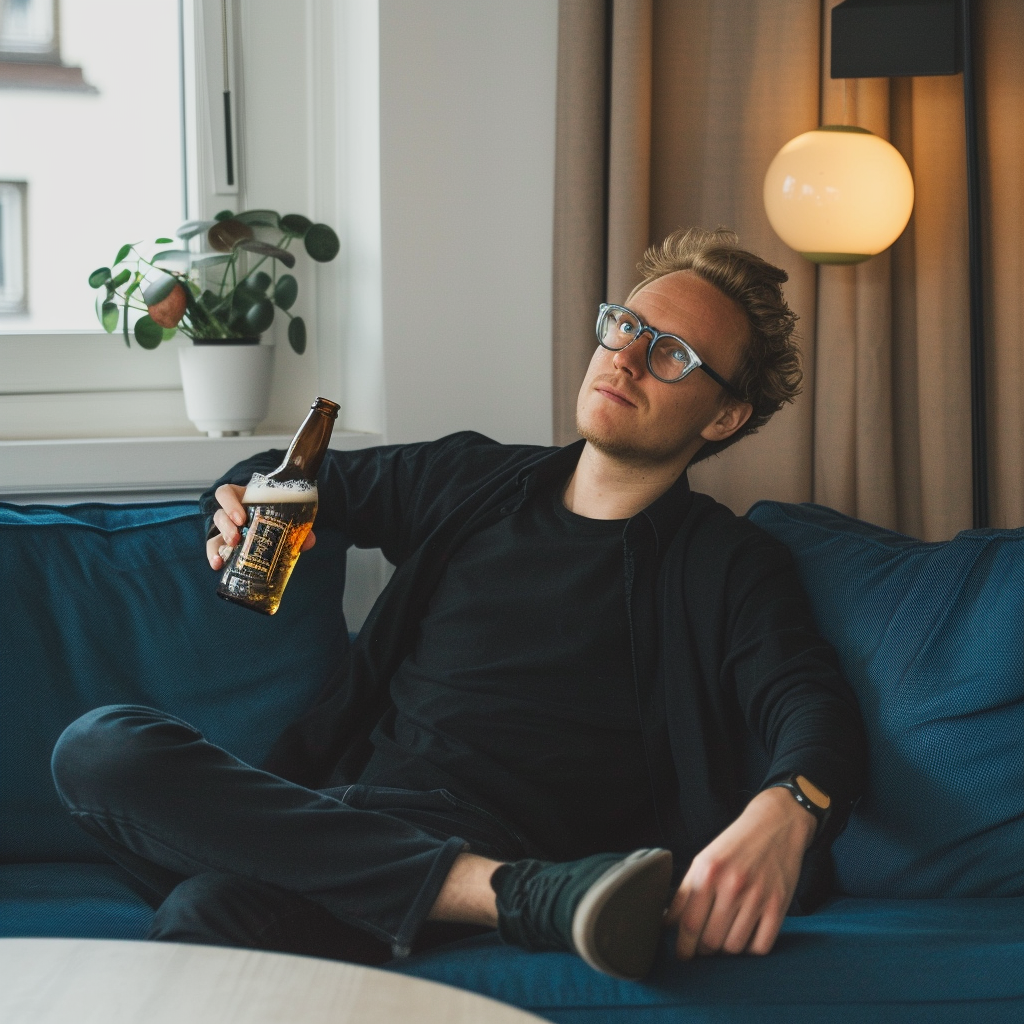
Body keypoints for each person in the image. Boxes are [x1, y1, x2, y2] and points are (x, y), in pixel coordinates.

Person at [51, 227, 867, 982]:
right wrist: (231, 504)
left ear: (725, 415)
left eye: (673, 355)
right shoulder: (473, 482)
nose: (624, 359)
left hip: (497, 828)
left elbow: (807, 700)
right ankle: (518, 898)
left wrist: (791, 807)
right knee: (100, 747)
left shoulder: (727, 565)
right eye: (624, 326)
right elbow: (293, 470)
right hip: (346, 815)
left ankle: (482, 882)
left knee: (205, 910)